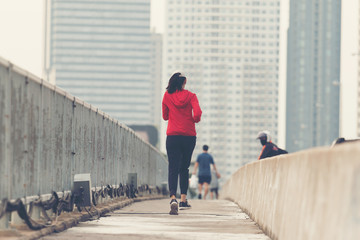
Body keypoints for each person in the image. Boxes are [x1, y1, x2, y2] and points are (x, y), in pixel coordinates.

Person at [162, 72, 202, 215]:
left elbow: (165, 116)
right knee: (184, 167)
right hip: (188, 136)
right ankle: (183, 199)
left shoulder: (167, 96)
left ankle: (173, 198)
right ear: (184, 82)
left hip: (172, 135)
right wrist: (193, 120)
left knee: (173, 167)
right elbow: (197, 115)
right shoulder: (191, 96)